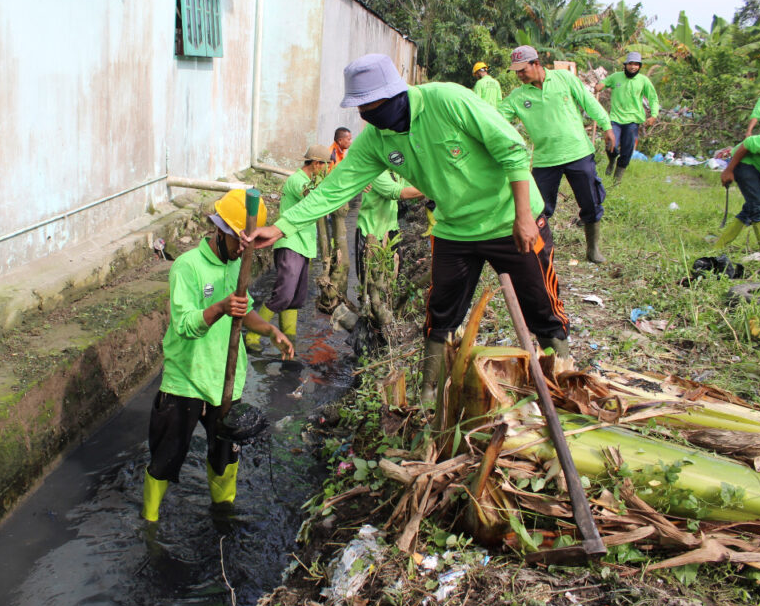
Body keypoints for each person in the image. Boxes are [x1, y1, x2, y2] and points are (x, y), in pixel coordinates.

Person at [242, 53, 570, 407]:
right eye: (360, 108)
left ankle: (564, 381)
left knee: (541, 305)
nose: (366, 115)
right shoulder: (376, 140)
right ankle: (429, 396)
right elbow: (334, 189)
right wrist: (280, 227)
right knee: (440, 313)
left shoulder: (448, 100)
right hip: (455, 229)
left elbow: (512, 150)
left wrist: (523, 216)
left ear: (396, 93)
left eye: (370, 105)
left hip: (509, 218)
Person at [143, 190, 294, 522]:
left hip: (226, 380)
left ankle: (223, 513)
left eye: (248, 243)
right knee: (166, 458)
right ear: (220, 229)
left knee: (224, 456)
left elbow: (243, 311)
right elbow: (184, 324)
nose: (243, 249)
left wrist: (270, 331)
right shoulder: (187, 267)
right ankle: (150, 523)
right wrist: (221, 307)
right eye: (239, 241)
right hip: (186, 379)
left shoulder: (238, 264)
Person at [499, 46, 615, 264]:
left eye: (523, 70)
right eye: (516, 72)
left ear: (536, 63)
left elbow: (588, 101)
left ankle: (593, 249)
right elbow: (496, 120)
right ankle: (541, 251)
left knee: (590, 202)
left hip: (578, 152)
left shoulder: (563, 79)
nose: (520, 75)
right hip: (545, 160)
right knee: (539, 207)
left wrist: (606, 126)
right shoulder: (518, 96)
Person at [245, 146, 331, 350]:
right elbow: (315, 200)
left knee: (297, 297)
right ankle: (252, 336)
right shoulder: (297, 181)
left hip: (304, 245)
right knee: (283, 294)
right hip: (290, 242)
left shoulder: (310, 181)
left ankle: (288, 337)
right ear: (317, 163)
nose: (327, 170)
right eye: (326, 166)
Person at [595, 51, 660, 179]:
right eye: (630, 64)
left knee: (627, 149)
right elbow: (604, 82)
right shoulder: (616, 77)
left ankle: (617, 178)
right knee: (610, 145)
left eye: (636, 64)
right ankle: (612, 160)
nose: (633, 67)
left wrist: (653, 115)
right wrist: (600, 86)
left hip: (633, 120)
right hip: (615, 119)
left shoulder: (643, 81)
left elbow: (653, 98)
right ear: (625, 65)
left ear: (639, 66)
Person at [354, 170, 423, 284]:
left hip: (391, 230)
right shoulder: (377, 172)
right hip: (370, 231)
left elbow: (412, 193)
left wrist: (427, 190)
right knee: (368, 280)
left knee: (394, 274)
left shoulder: (396, 173)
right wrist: (430, 190)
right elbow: (397, 192)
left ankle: (387, 301)